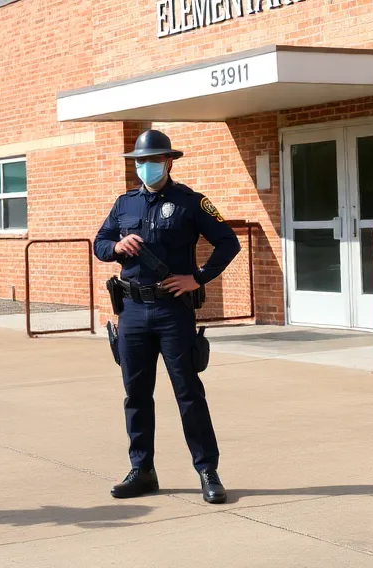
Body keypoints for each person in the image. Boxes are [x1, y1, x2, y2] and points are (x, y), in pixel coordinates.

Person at [94, 129, 241, 504]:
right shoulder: (124, 203)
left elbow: (229, 242)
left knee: (188, 393)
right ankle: (142, 470)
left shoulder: (191, 202)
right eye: (140, 161)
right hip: (132, 312)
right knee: (136, 395)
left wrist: (198, 278)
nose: (145, 167)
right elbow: (100, 243)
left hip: (172, 311)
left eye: (153, 160)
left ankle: (207, 470)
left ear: (169, 161)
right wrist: (116, 246)